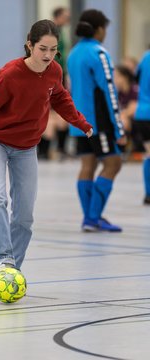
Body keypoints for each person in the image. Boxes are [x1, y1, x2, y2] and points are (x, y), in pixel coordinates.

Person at [0, 19, 93, 282]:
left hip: (27, 147)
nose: (48, 56)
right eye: (42, 49)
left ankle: (10, 272)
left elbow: (60, 98)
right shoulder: (10, 74)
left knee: (24, 216)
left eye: (53, 50)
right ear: (29, 45)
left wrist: (80, 122)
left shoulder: (54, 71)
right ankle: (3, 259)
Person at [67, 9, 126, 232]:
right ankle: (92, 218)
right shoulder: (99, 53)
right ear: (100, 29)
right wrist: (119, 128)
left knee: (87, 165)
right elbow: (110, 91)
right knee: (113, 163)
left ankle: (91, 218)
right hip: (98, 122)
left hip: (77, 120)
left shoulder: (73, 53)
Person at [38, 7, 71, 160]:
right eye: (65, 16)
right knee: (47, 113)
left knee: (61, 113)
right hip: (51, 73)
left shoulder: (61, 33)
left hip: (60, 74)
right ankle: (43, 150)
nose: (68, 18)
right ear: (58, 16)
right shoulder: (50, 34)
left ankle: (60, 149)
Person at [133, 50, 150, 204]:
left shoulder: (145, 57)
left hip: (143, 113)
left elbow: (136, 79)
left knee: (148, 154)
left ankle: (148, 193)